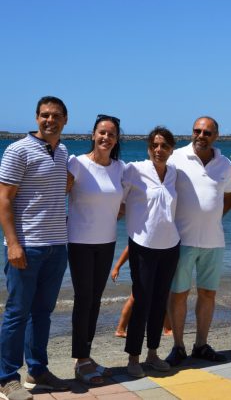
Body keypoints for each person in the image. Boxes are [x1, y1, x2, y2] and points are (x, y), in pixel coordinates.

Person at [0, 96, 71, 400]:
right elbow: (4, 199)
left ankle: (37, 370)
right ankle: (5, 377)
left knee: (43, 312)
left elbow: (60, 188)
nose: (49, 120)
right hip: (26, 247)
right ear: (36, 117)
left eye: (55, 116)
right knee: (17, 312)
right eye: (44, 115)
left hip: (57, 245)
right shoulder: (18, 150)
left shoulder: (64, 151)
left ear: (65, 120)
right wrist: (13, 244)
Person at [164, 117, 231, 366]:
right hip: (182, 240)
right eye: (197, 130)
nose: (201, 135)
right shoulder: (177, 158)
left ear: (216, 135)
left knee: (207, 294)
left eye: (207, 132)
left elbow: (229, 197)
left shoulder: (225, 164)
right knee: (179, 294)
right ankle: (179, 346)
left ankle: (201, 345)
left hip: (214, 241)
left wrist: (211, 217)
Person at [67, 114, 124, 385]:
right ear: (93, 134)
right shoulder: (76, 164)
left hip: (107, 242)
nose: (106, 138)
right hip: (79, 242)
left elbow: (123, 205)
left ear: (117, 139)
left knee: (95, 300)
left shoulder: (120, 168)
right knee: (83, 299)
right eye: (102, 132)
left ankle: (86, 356)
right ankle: (80, 361)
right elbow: (56, 198)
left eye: (111, 134)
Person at [122, 126, 180, 378]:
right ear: (148, 148)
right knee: (142, 300)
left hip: (170, 246)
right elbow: (117, 199)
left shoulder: (174, 173)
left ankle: (153, 353)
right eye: (155, 145)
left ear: (171, 150)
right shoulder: (134, 170)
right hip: (142, 246)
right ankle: (133, 357)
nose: (159, 150)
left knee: (159, 302)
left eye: (164, 146)